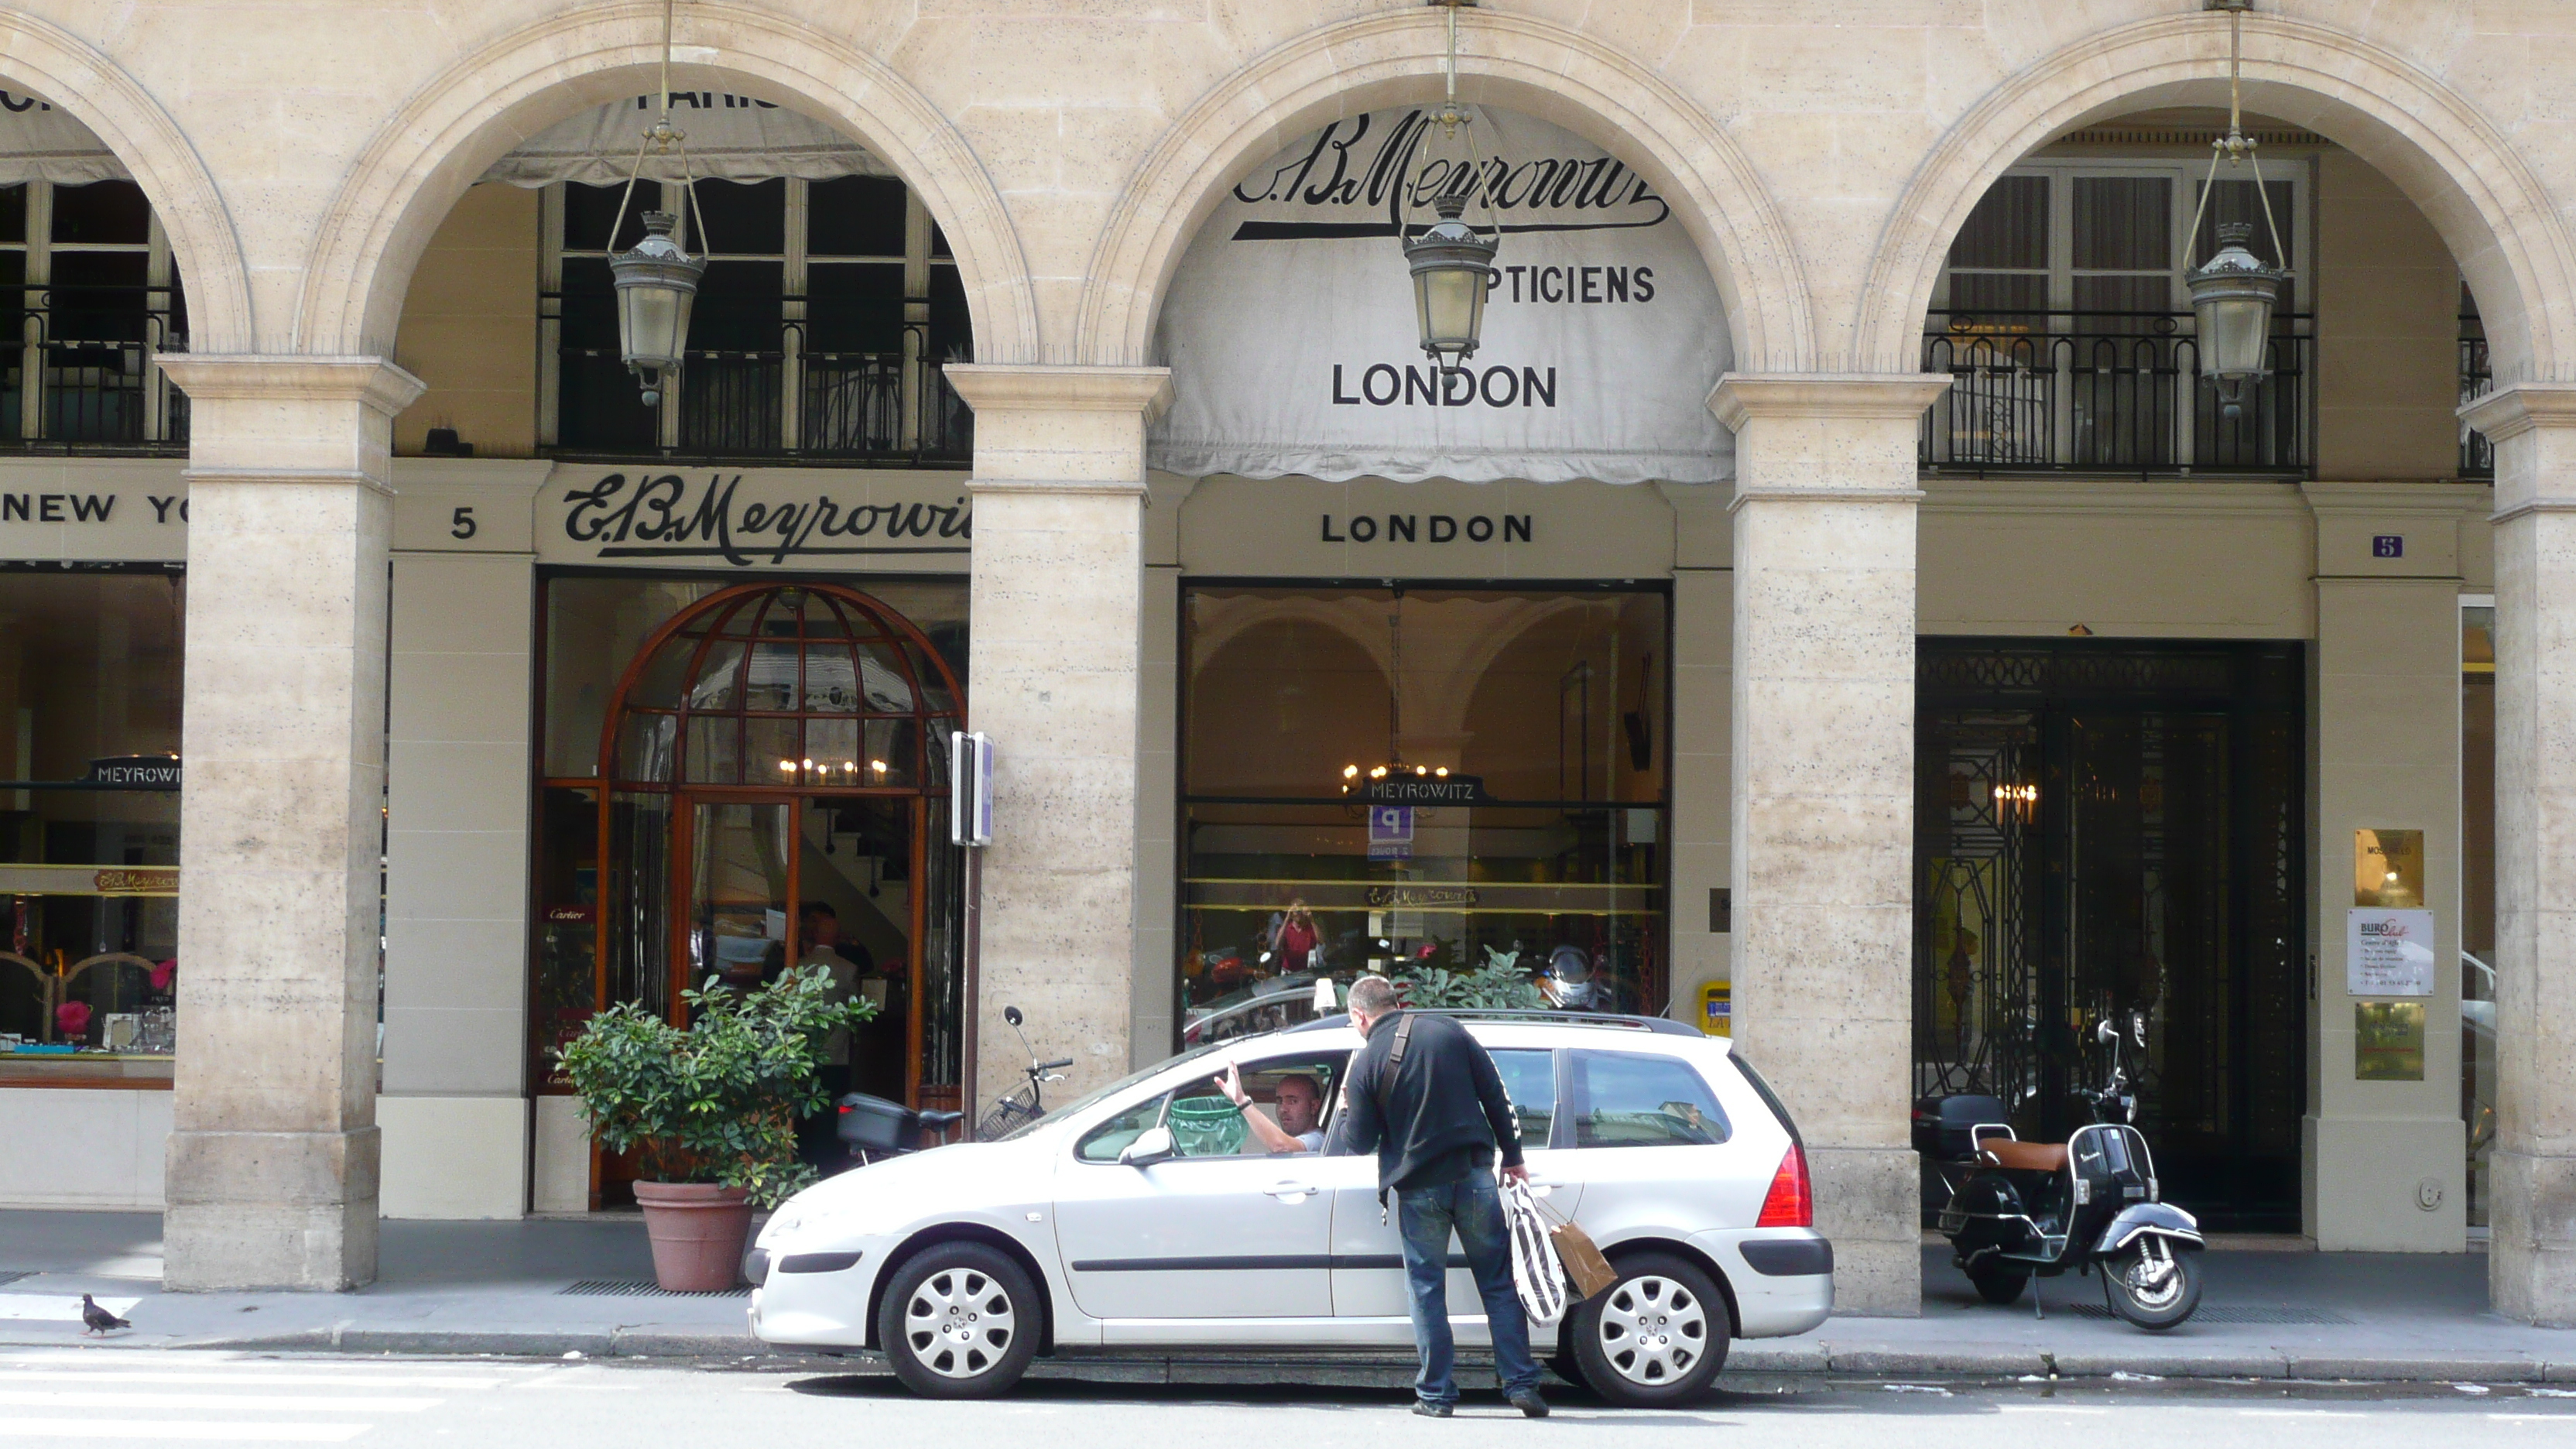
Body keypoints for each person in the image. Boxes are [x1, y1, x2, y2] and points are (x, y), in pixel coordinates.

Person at [1335, 976, 1547, 1419]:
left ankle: (1436, 1395)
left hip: (1418, 1187)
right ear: (1396, 1002)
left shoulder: (1366, 1061)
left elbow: (1358, 1142)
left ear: (1359, 1015)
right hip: (1474, 1177)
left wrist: (1344, 1108)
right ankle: (1522, 1384)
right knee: (1498, 1281)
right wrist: (1514, 1157)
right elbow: (1495, 1093)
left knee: (1428, 1288)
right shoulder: (1448, 1030)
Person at [1214, 1063, 1325, 1153]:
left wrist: (1242, 1101)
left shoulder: (1317, 1140)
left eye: (1293, 1101)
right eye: (1279, 1101)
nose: (1283, 1109)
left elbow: (1281, 1146)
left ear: (1314, 1106)